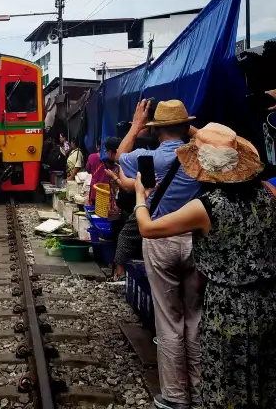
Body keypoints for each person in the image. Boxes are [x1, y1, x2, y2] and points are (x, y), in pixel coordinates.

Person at [134, 123, 276, 409]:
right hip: (266, 303)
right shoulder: (269, 195)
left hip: (226, 307)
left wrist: (140, 195)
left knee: (225, 380)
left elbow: (148, 228)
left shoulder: (207, 206)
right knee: (262, 379)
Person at [118, 100, 202, 409]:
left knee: (169, 320)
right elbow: (224, 140)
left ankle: (175, 396)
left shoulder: (148, 159)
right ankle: (200, 389)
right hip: (195, 242)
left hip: (160, 239)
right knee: (194, 317)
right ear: (183, 127)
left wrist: (137, 125)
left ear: (155, 131)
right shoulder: (200, 156)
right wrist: (187, 127)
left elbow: (119, 156)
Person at [86, 137, 120, 204]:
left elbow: (88, 170)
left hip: (96, 191)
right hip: (109, 194)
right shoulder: (118, 163)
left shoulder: (92, 157)